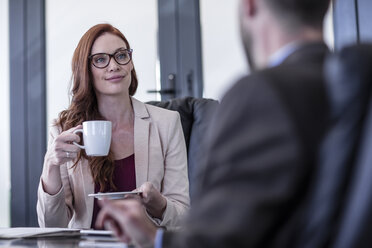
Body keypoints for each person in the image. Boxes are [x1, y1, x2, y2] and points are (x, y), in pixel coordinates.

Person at [95, 0, 332, 247]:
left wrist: (155, 238)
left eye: (121, 56)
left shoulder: (260, 95)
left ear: (250, 5)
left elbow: (219, 236)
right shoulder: (357, 83)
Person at [36, 24, 190, 230]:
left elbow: (183, 218)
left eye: (121, 55)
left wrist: (158, 205)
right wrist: (50, 165)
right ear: (86, 70)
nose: (114, 66)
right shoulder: (65, 131)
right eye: (100, 59)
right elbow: (51, 225)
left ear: (131, 63)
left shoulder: (167, 124)